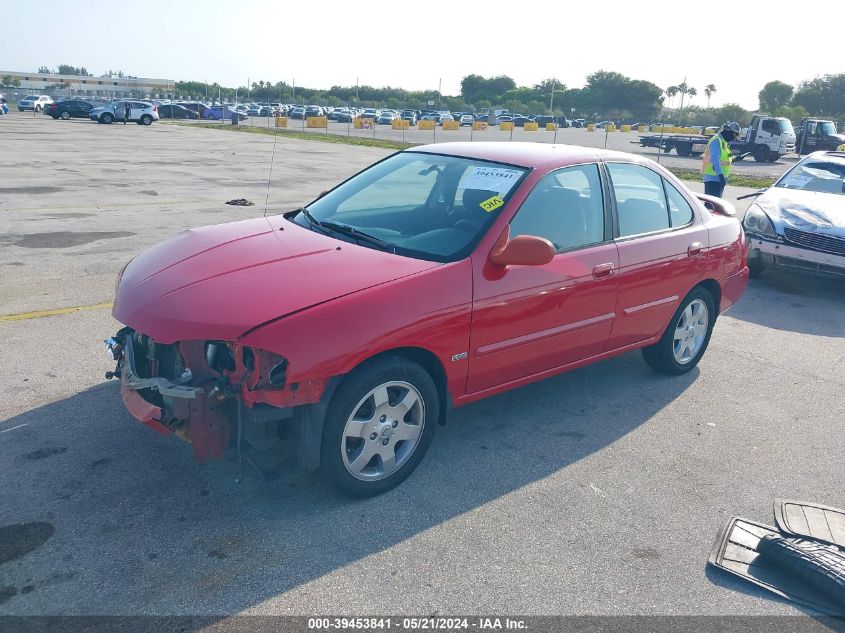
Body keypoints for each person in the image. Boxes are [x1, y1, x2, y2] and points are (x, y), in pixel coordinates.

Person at [702, 121, 741, 198]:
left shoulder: (724, 142)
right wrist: (720, 175)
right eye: (734, 135)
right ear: (729, 132)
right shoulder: (717, 140)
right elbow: (714, 159)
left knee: (716, 206)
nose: (733, 138)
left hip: (718, 179)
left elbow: (725, 159)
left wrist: (735, 159)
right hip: (713, 179)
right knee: (712, 206)